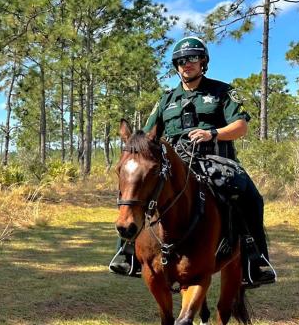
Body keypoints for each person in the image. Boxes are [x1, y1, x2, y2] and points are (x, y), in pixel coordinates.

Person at [109, 36, 276, 287]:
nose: (187, 64)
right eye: (181, 61)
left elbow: (241, 127)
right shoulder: (166, 99)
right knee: (136, 187)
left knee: (251, 196)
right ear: (176, 66)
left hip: (215, 158)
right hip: (175, 160)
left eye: (193, 59)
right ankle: (128, 253)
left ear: (203, 62)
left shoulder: (222, 91)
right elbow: (147, 134)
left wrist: (213, 133)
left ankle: (255, 259)